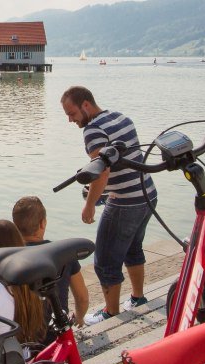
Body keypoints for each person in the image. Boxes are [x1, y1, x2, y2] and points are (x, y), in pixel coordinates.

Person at [59, 86, 157, 326]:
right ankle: (137, 298)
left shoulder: (92, 131)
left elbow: (102, 171)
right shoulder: (119, 116)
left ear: (86, 105)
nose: (70, 120)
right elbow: (124, 161)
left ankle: (111, 313)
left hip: (125, 201)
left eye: (72, 114)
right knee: (133, 249)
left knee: (104, 261)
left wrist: (90, 204)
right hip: (147, 193)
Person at [12, 196, 90, 327]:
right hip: (56, 330)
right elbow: (82, 298)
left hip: (22, 334)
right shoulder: (64, 253)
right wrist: (79, 318)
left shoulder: (9, 258)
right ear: (43, 223)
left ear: (14, 226)